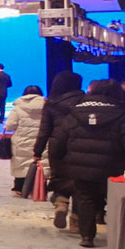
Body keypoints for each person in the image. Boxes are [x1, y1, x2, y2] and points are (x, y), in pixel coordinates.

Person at [50, 80, 125, 249]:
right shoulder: (121, 115)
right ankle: (116, 234)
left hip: (80, 166)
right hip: (112, 166)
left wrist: (58, 163)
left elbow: (58, 141)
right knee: (112, 198)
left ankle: (87, 236)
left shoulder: (75, 114)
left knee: (85, 199)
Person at [34, 71, 87, 231]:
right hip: (80, 145)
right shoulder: (85, 101)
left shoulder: (51, 103)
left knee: (60, 178)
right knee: (80, 183)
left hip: (58, 146)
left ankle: (61, 203)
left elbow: (44, 130)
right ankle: (76, 221)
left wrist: (37, 151)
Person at [5, 85, 45, 196]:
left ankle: (19, 187)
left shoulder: (18, 108)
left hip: (21, 141)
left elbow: (10, 126)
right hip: (40, 141)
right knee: (38, 163)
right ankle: (37, 187)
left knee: (21, 164)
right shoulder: (47, 106)